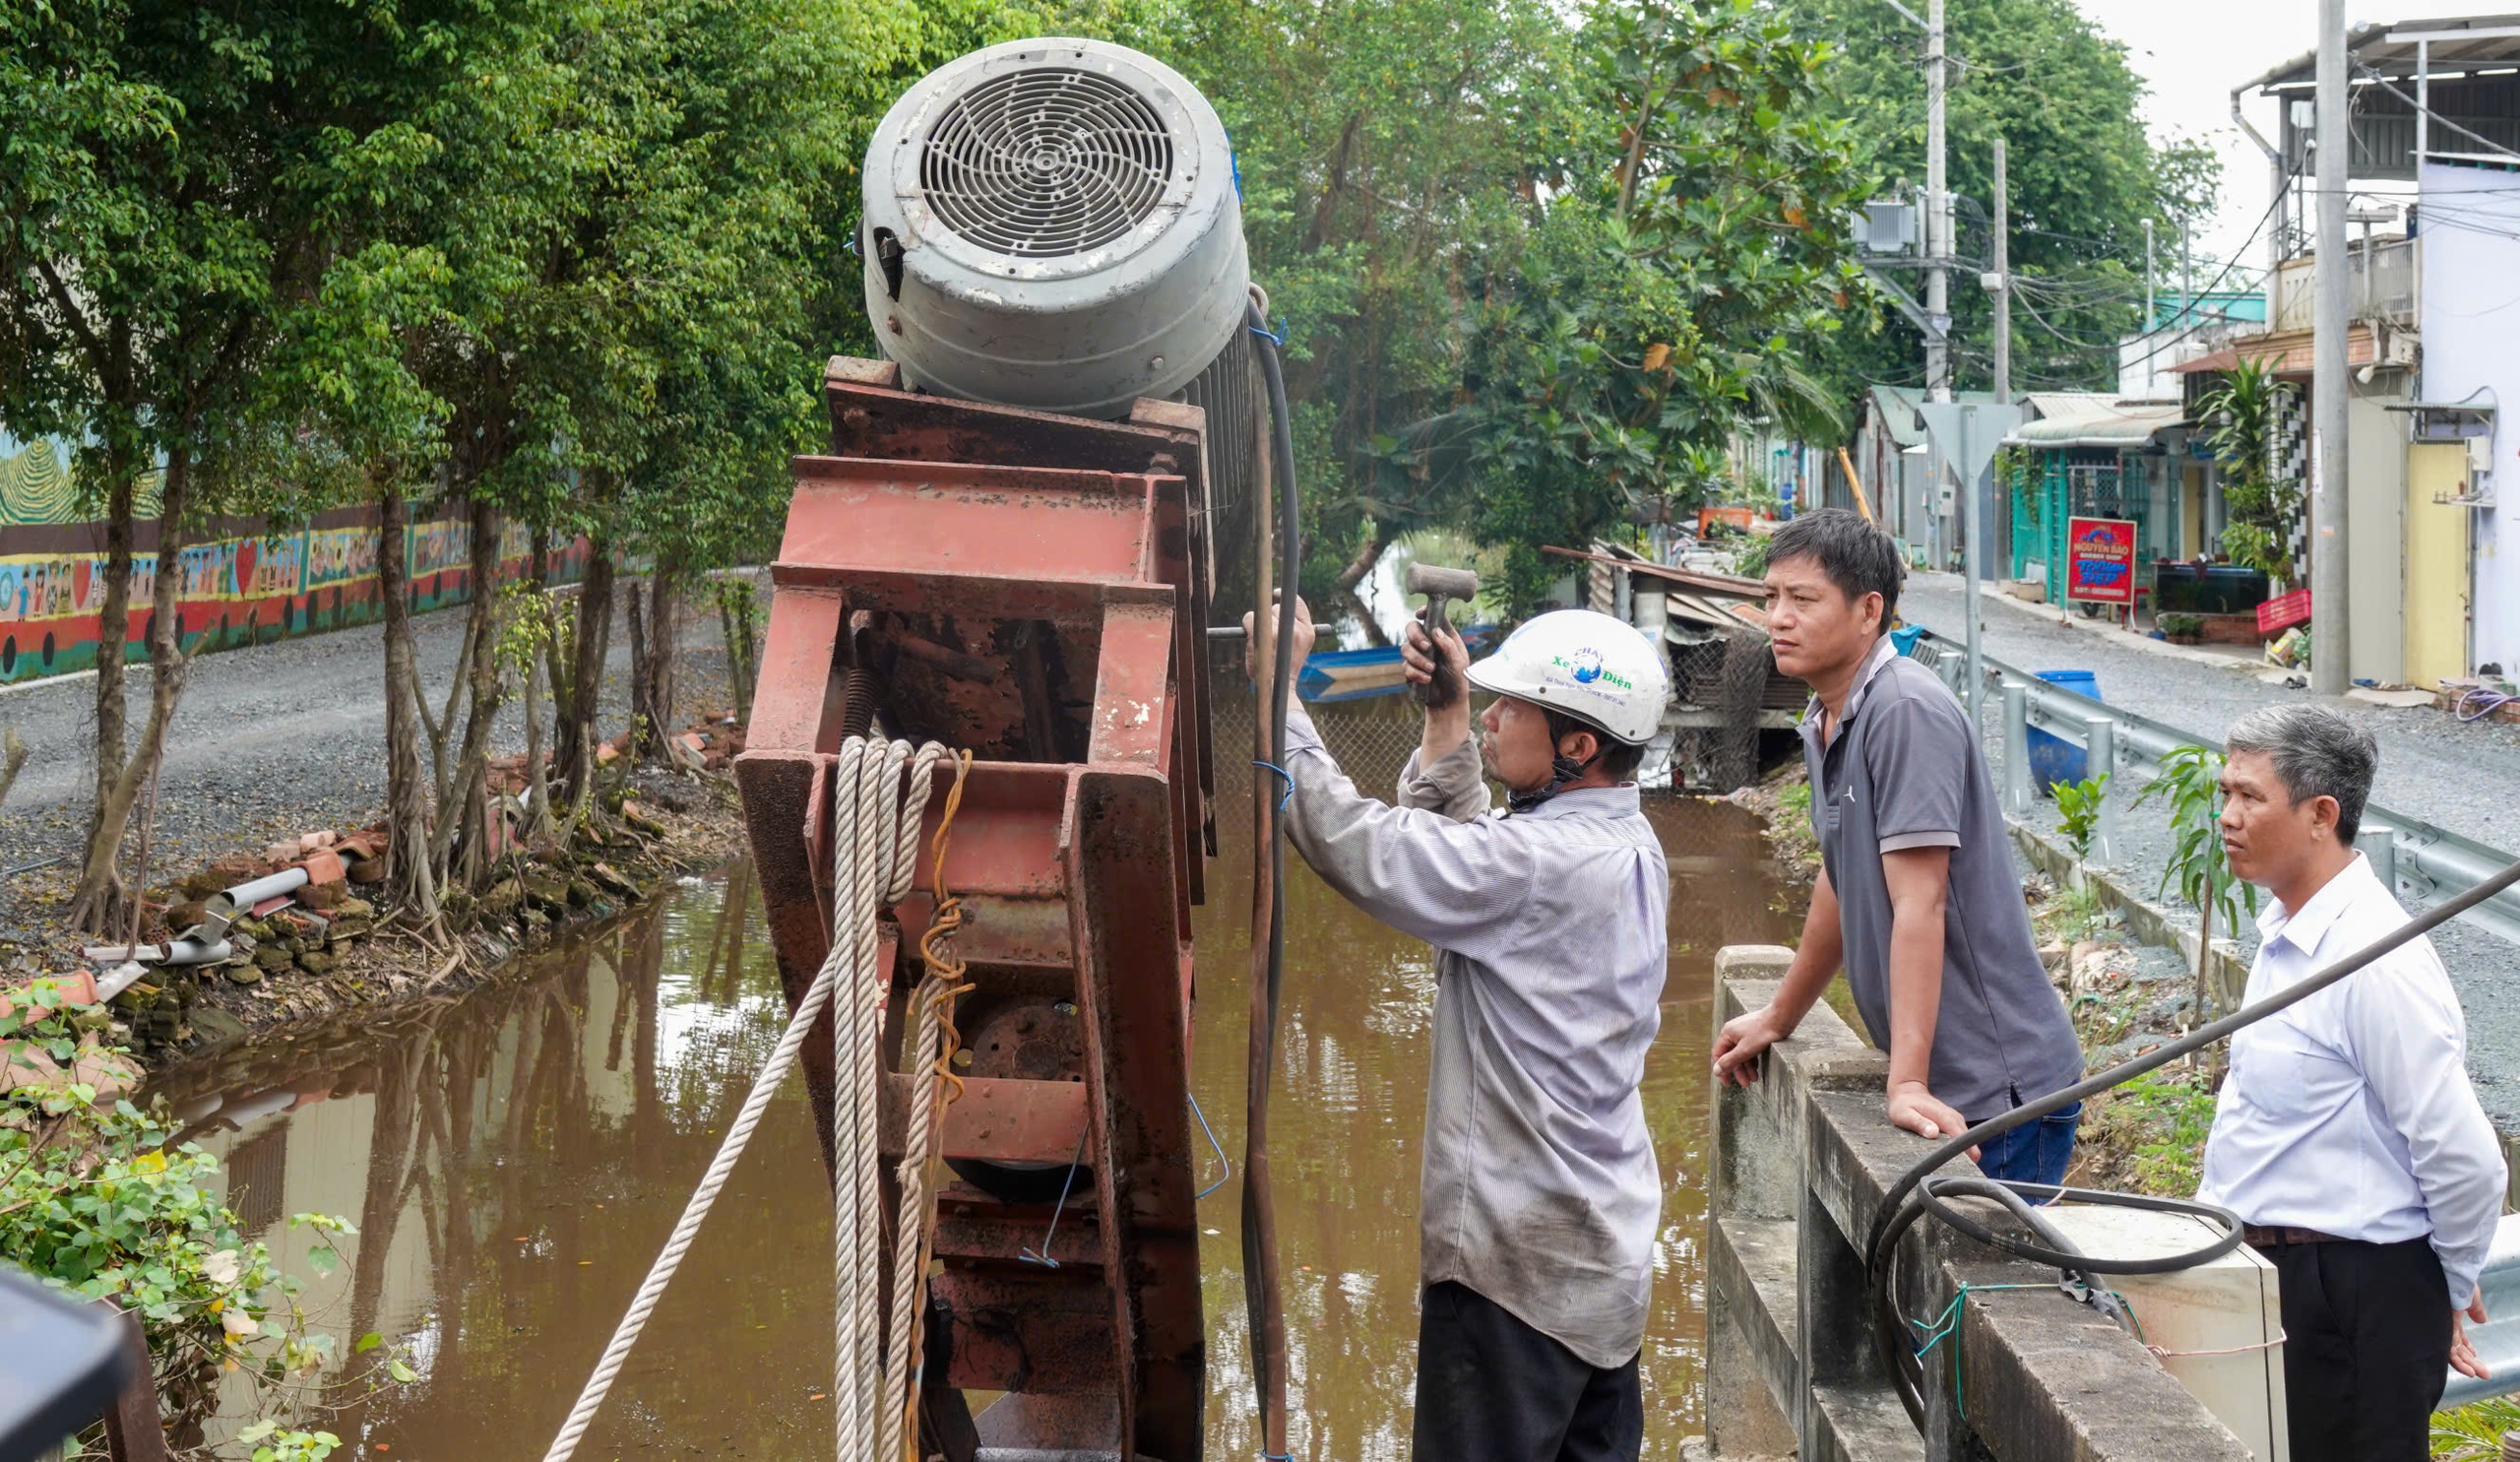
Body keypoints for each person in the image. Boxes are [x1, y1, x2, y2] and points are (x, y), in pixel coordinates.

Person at [1244, 594, 1671, 1462]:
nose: (1498, 715)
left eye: (1514, 706)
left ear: (1577, 745)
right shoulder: (1625, 844)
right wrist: (1450, 719)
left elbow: (1348, 837)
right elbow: (1477, 863)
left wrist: (1275, 695)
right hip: (1599, 1261)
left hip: (1512, 1276)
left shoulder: (1536, 865)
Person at [1709, 509, 2083, 1185]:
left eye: (1803, 599)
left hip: (1995, 1094)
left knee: (1985, 1288)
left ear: (1868, 610)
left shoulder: (1903, 709)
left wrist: (1906, 1082)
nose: (1778, 619)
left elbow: (1920, 901)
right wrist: (1782, 1013)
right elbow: (1841, 879)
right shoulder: (1827, 718)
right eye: (1770, 598)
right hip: (1952, 1087)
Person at [2194, 704, 2503, 1461]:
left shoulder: (2374, 957)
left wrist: (2442, 1288)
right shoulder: (2289, 934)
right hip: (2283, 1281)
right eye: (2225, 792)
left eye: (2251, 796)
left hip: (2352, 1291)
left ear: (2320, 814)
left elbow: (2465, 1158)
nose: (2228, 816)